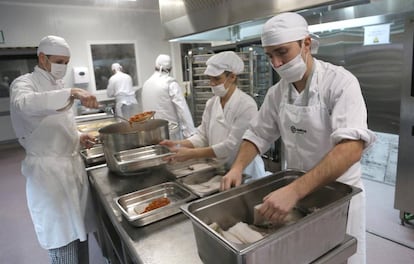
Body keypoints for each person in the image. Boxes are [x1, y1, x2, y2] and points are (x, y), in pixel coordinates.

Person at [220, 12, 376, 264]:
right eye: (270, 56)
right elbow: (258, 133)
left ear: (306, 43)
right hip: (298, 196)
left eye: (282, 52)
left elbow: (350, 149)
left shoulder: (340, 83)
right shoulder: (277, 93)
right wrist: (237, 167)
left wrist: (294, 190)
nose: (277, 63)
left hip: (338, 196)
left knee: (338, 257)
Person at [9, 35, 99, 264]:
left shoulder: (58, 86)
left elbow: (57, 126)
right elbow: (25, 105)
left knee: (81, 237)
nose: (63, 67)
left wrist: (78, 138)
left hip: (71, 170)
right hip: (49, 177)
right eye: (59, 61)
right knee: (63, 242)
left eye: (66, 62)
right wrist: (73, 92)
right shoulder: (24, 84)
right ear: (42, 57)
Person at [161, 51, 266, 180]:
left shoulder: (246, 105)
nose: (211, 83)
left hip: (245, 172)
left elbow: (230, 146)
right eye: (210, 78)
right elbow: (202, 136)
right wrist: (177, 144)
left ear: (232, 77)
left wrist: (192, 154)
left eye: (217, 79)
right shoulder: (212, 103)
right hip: (221, 169)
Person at [141, 54, 196, 140]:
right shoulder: (170, 84)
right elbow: (182, 110)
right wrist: (191, 134)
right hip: (170, 134)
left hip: (151, 134)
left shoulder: (146, 84)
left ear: (155, 65)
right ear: (170, 68)